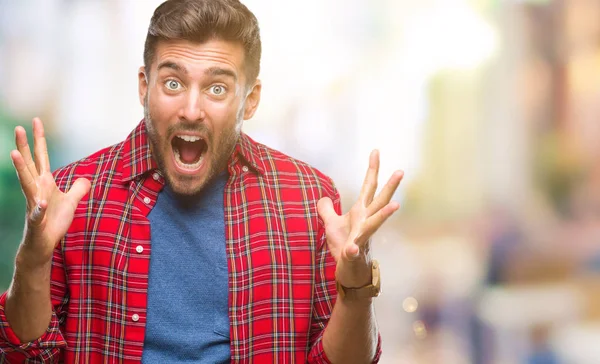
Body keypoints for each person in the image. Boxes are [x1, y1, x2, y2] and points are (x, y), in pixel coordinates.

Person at [0, 0, 403, 362]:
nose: (191, 109)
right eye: (173, 83)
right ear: (145, 86)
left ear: (251, 99)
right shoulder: (74, 195)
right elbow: (29, 356)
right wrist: (32, 260)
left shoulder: (308, 199)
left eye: (216, 88)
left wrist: (357, 285)